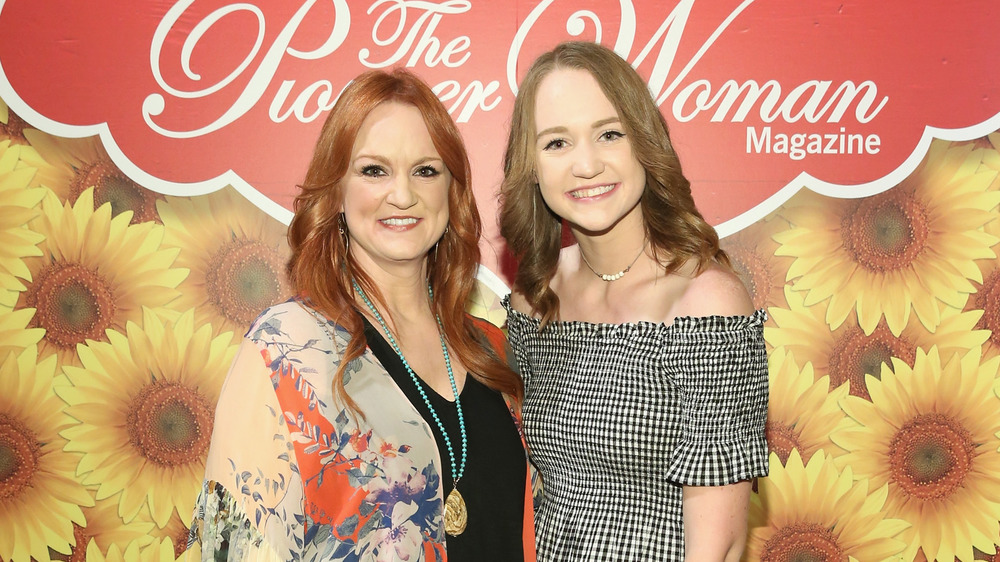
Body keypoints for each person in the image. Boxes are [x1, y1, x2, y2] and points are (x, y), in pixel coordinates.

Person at [187, 69, 536, 561]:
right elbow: (233, 551)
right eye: (374, 170)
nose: (402, 194)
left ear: (452, 192)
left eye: (426, 170)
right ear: (337, 192)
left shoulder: (489, 349)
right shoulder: (287, 350)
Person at [499, 41, 768, 561]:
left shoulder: (705, 303)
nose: (586, 164)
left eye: (609, 134)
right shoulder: (536, 300)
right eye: (556, 143)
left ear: (644, 143)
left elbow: (721, 545)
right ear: (531, 166)